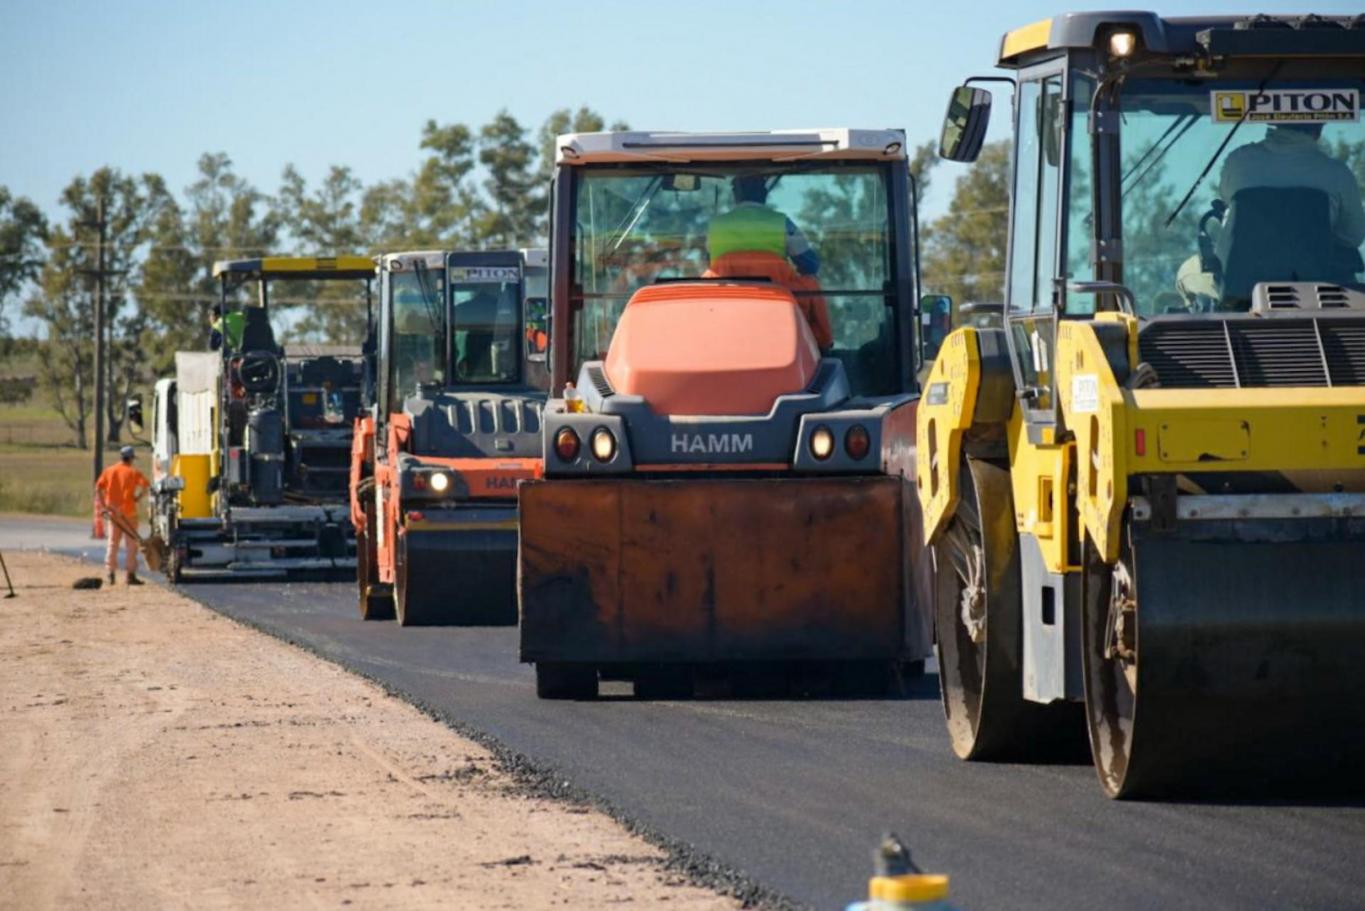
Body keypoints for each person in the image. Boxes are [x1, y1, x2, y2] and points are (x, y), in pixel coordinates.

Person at [705, 175, 834, 350]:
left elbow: (712, 264)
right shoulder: (782, 222)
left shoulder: (716, 226)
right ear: (764, 194)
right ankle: (823, 344)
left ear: (735, 195)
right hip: (778, 308)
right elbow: (810, 265)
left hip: (724, 307)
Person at [1217, 123, 1365, 265]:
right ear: (1319, 128)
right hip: (1317, 285)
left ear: (1274, 120)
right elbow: (1352, 237)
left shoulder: (1237, 162)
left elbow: (1228, 204)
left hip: (1240, 283)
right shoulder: (1337, 173)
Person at [95, 445, 151, 586]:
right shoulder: (133, 472)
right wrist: (138, 497)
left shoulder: (109, 471)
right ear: (131, 458)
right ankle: (130, 576)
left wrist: (104, 506)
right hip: (129, 514)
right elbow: (146, 486)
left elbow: (98, 488)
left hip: (113, 514)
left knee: (112, 543)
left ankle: (110, 574)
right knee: (131, 545)